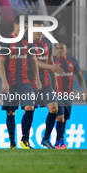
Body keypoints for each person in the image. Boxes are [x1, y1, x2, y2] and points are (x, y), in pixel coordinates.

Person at [0, 14, 41, 149]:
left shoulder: (29, 41)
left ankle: (25, 140)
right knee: (11, 111)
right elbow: (0, 62)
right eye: (22, 27)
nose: (24, 30)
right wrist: (4, 81)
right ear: (15, 25)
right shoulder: (5, 40)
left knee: (30, 108)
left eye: (26, 28)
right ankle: (12, 143)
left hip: (26, 81)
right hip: (11, 82)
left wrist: (37, 79)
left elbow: (33, 61)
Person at [29, 21, 64, 149]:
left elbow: (50, 60)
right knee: (29, 110)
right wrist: (52, 67)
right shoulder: (28, 44)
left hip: (45, 81)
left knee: (54, 109)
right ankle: (25, 140)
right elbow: (35, 62)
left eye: (41, 30)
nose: (39, 32)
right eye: (37, 29)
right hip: (30, 82)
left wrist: (54, 80)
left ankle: (45, 139)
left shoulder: (47, 43)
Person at [53, 42, 86, 149]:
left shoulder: (72, 61)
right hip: (56, 94)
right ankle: (62, 142)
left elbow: (80, 76)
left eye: (61, 48)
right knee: (60, 116)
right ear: (55, 50)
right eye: (57, 48)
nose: (59, 50)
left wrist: (84, 90)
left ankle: (57, 142)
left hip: (68, 95)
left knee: (65, 119)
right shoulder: (52, 60)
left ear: (66, 49)